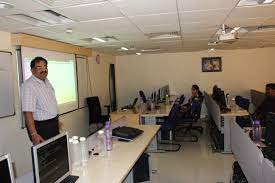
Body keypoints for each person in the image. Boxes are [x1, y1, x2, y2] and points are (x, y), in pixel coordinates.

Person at [21, 57, 60, 144]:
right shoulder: (29, 85)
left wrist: (56, 121)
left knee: (57, 153)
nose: (43, 70)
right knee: (46, 155)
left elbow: (49, 104)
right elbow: (28, 112)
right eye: (39, 67)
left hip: (53, 124)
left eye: (45, 67)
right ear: (32, 70)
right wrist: (34, 134)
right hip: (42, 128)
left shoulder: (46, 81)